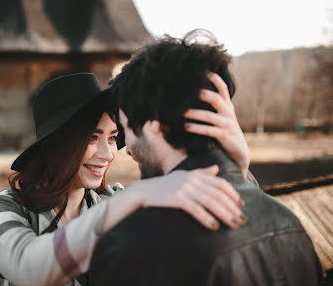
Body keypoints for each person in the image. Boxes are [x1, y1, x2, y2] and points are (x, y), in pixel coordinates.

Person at [89, 30, 322, 286]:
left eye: (126, 129)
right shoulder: (289, 224)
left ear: (153, 123)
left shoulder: (131, 244)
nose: (128, 149)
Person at [0, 71, 251, 286]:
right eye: (92, 137)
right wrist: (133, 199)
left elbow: (206, 226)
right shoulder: (4, 207)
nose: (108, 153)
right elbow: (28, 269)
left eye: (112, 138)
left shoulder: (115, 201)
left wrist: (238, 164)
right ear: (57, 143)